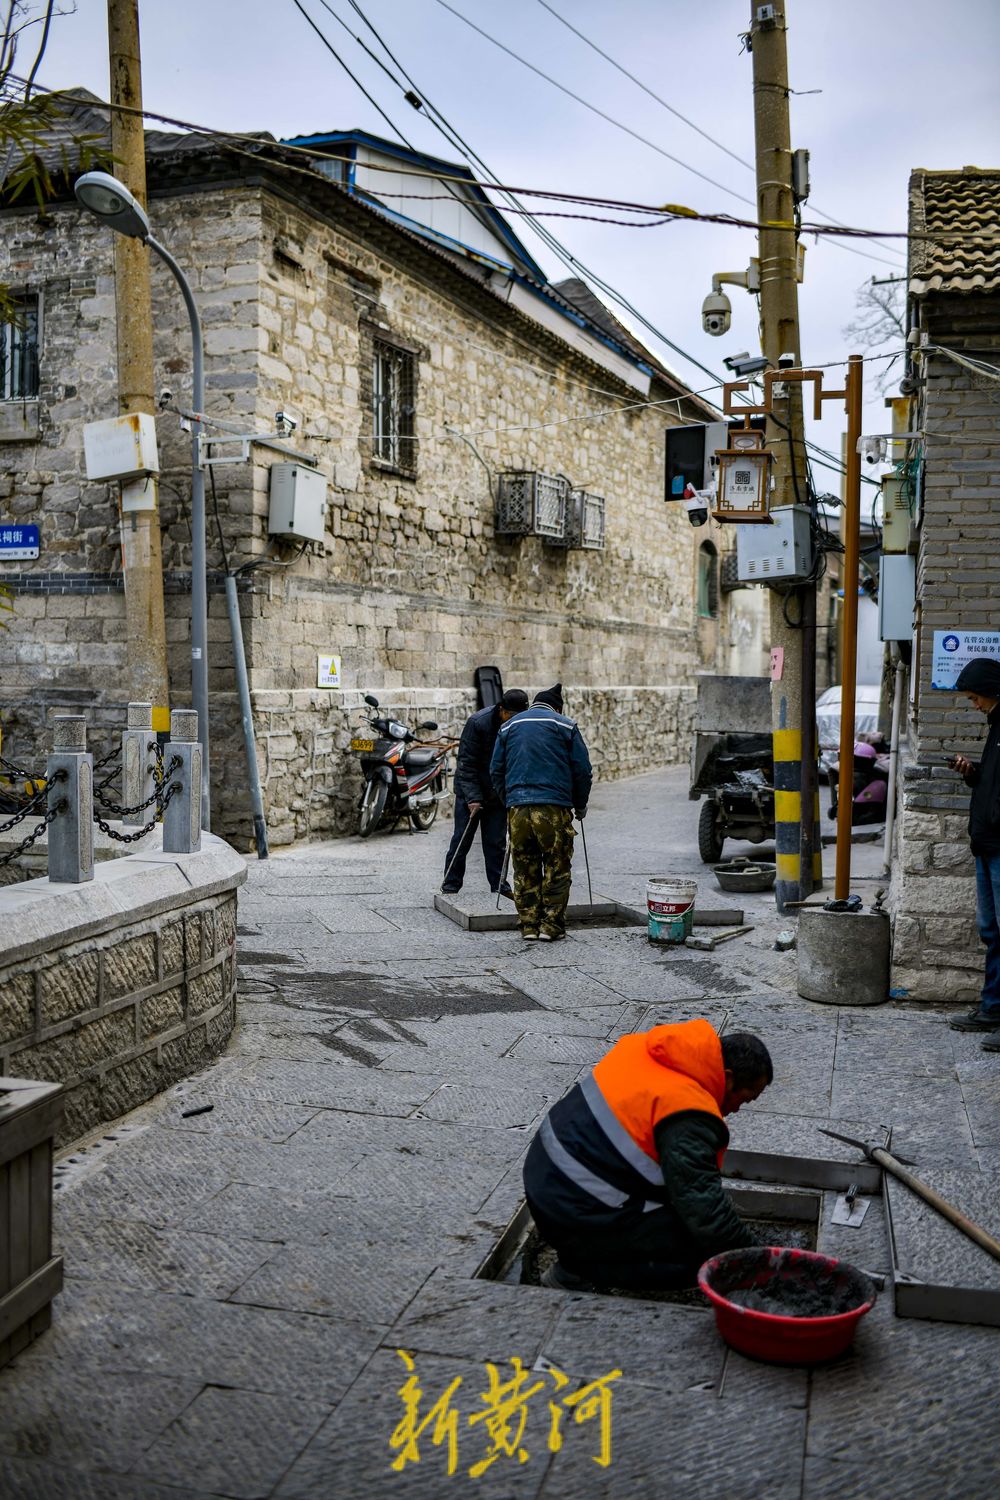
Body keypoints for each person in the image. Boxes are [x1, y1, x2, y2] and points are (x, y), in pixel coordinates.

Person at [523, 1020, 773, 1291]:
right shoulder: (687, 1111)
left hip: (546, 1177)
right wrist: (757, 1263)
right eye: (745, 1099)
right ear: (729, 1077)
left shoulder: (648, 1052)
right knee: (700, 1253)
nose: (737, 1110)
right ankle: (576, 1272)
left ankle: (578, 1261)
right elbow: (706, 1214)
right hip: (569, 1207)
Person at [489, 683, 592, 942]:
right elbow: (582, 770)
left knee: (524, 867)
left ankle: (529, 925)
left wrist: (509, 800)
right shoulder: (565, 725)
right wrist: (580, 805)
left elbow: (496, 770)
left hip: (518, 809)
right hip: (553, 807)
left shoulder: (509, 726)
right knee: (557, 866)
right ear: (557, 707)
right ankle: (551, 926)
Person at [948, 658, 1000, 1045]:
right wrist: (972, 772)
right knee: (991, 931)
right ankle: (993, 1008)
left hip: (999, 842)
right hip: (986, 842)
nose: (973, 705)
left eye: (974, 697)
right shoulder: (995, 726)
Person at [441, 688, 529, 898]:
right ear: (501, 710)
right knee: (462, 839)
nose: (513, 720)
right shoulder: (478, 723)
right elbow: (466, 763)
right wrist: (473, 798)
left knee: (496, 842)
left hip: (496, 793)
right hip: (470, 791)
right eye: (511, 716)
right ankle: (450, 885)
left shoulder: (519, 725)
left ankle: (499, 886)